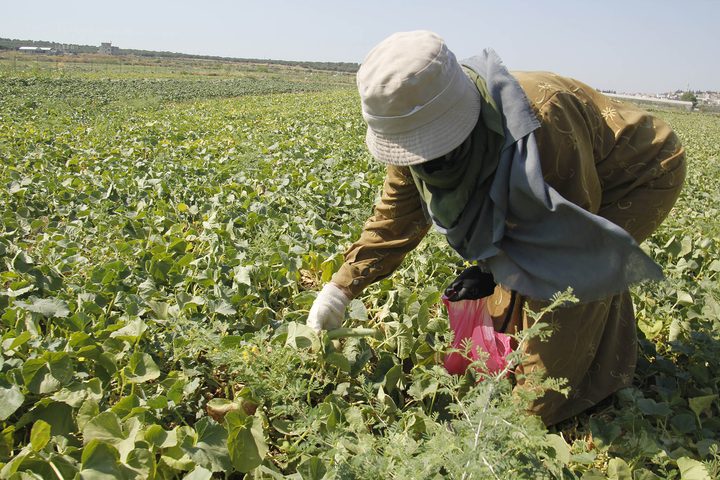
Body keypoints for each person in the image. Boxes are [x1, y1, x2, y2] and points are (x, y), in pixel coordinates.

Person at [307, 31, 685, 425]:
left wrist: (516, 419)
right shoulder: (407, 128)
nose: (424, 161)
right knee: (515, 281)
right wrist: (340, 289)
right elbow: (394, 219)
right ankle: (578, 367)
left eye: (433, 148)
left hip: (638, 175)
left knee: (577, 286)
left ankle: (587, 392)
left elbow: (565, 257)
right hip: (578, 176)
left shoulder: (543, 123)